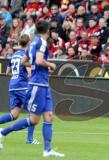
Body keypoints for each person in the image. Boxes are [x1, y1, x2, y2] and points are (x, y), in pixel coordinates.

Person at [0, 20, 64, 158]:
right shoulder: (41, 42)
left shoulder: (33, 43)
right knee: (34, 119)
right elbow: (40, 60)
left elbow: (25, 62)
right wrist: (50, 65)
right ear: (47, 30)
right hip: (37, 85)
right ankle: (3, 132)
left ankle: (48, 150)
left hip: (43, 84)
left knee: (48, 117)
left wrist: (35, 65)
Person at [0, 34, 40, 145]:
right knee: (34, 112)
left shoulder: (13, 55)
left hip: (12, 86)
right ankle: (30, 139)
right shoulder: (26, 56)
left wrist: (17, 74)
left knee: (14, 114)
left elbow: (7, 72)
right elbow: (30, 74)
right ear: (28, 44)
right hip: (22, 86)